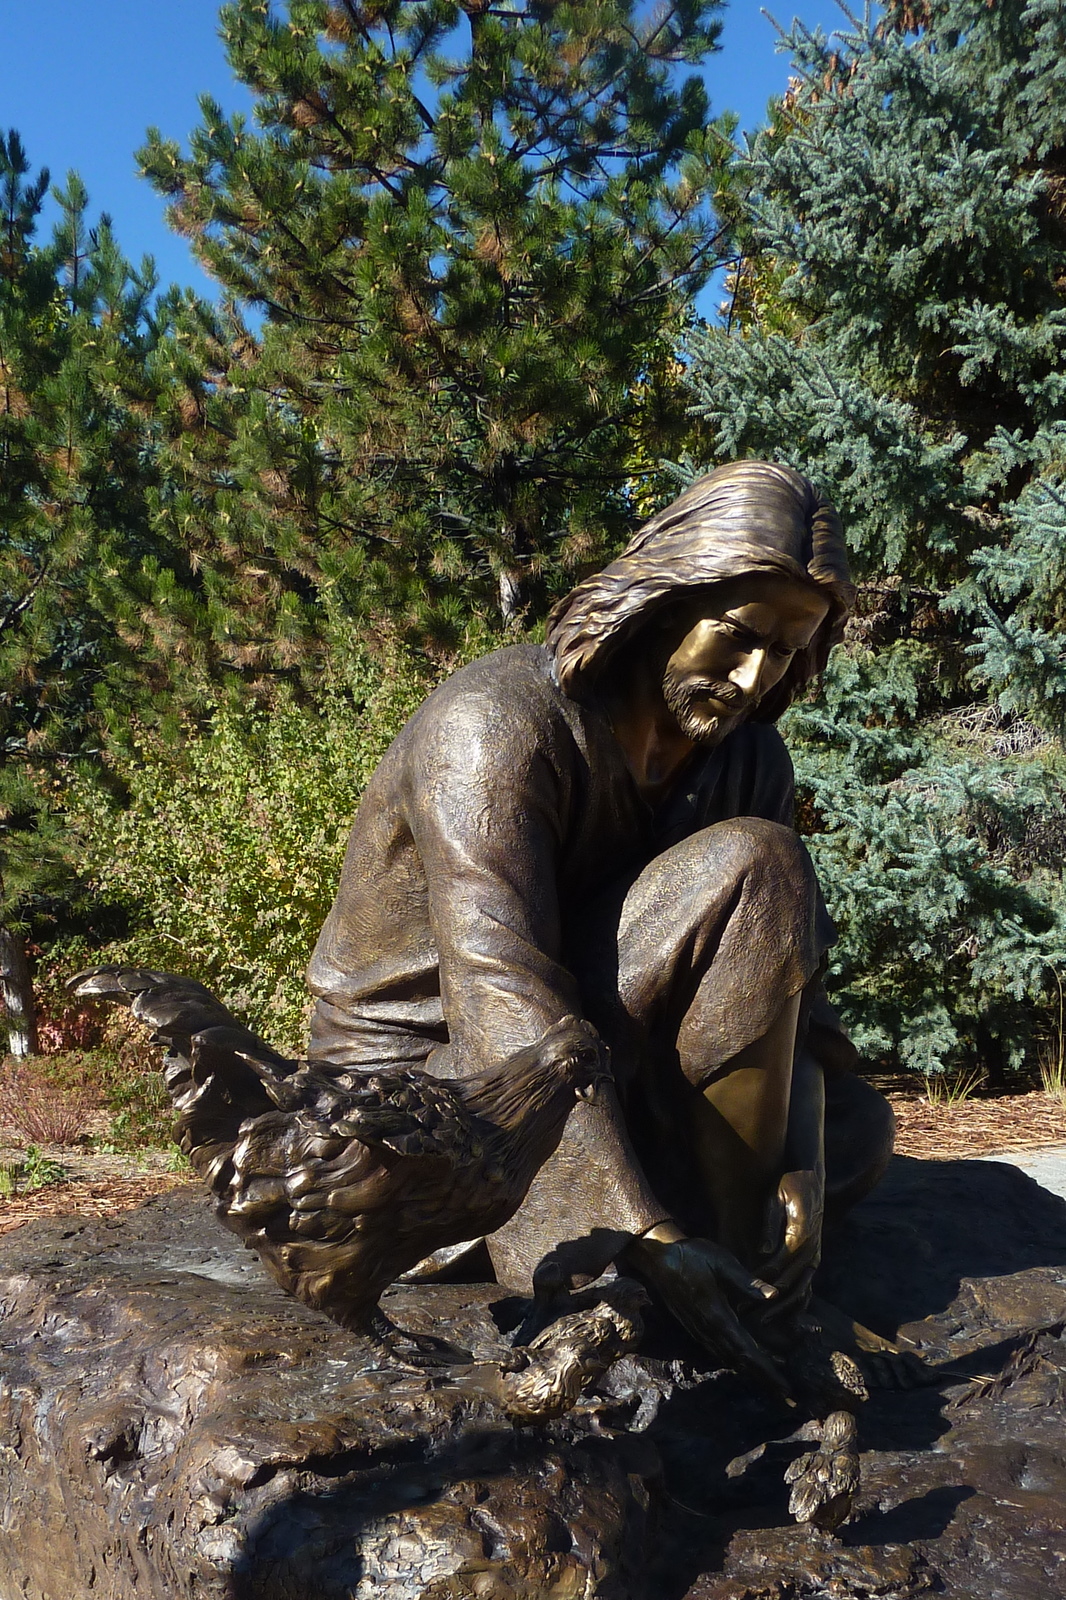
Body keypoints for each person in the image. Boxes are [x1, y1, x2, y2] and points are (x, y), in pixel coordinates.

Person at [306, 460, 895, 1384]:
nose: (751, 676)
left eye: (783, 651)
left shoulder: (745, 761)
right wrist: (651, 1235)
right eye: (736, 636)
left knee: (857, 1131)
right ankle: (730, 1293)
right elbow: (500, 992)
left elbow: (790, 1002)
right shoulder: (495, 726)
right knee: (759, 861)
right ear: (667, 598)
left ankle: (737, 1252)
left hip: (599, 1046)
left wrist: (801, 1167)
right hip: (432, 1091)